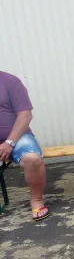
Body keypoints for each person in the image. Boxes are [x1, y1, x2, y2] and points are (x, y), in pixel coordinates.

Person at [0, 71, 48, 221]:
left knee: (32, 159)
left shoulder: (10, 81)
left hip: (16, 136)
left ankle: (36, 199)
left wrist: (9, 143)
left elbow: (25, 115)